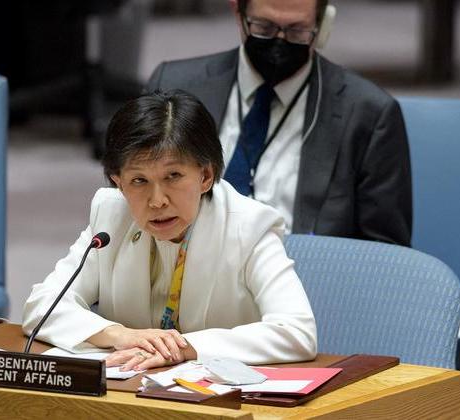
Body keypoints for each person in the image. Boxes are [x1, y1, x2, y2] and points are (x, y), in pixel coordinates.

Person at [23, 90, 316, 371]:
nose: (157, 201)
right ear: (119, 183)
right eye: (139, 181)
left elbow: (297, 332)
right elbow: (41, 306)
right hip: (128, 390)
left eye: (173, 176)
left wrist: (182, 347)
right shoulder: (110, 217)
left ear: (206, 175)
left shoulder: (249, 227)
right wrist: (120, 335)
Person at [146, 0, 412, 246]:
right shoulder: (172, 86)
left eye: (297, 31)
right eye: (264, 28)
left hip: (305, 277)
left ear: (322, 26)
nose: (279, 41)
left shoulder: (369, 116)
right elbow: (133, 202)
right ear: (238, 13)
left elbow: (385, 257)